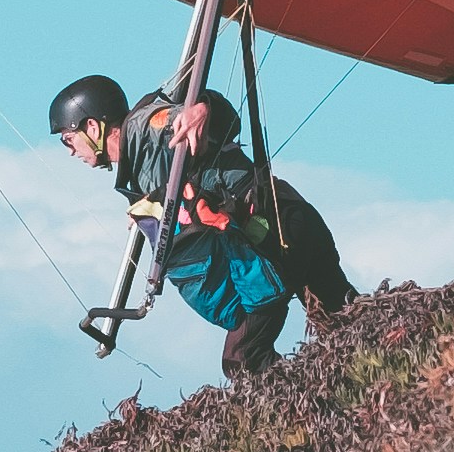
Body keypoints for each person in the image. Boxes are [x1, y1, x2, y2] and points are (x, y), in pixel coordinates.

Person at [50, 70, 358, 380]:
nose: (71, 151)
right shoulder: (140, 162)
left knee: (244, 360)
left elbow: (174, 119)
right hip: (290, 218)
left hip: (270, 234)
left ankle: (314, 414)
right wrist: (149, 209)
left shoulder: (142, 127)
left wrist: (199, 109)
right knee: (347, 324)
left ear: (92, 126)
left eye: (68, 139)